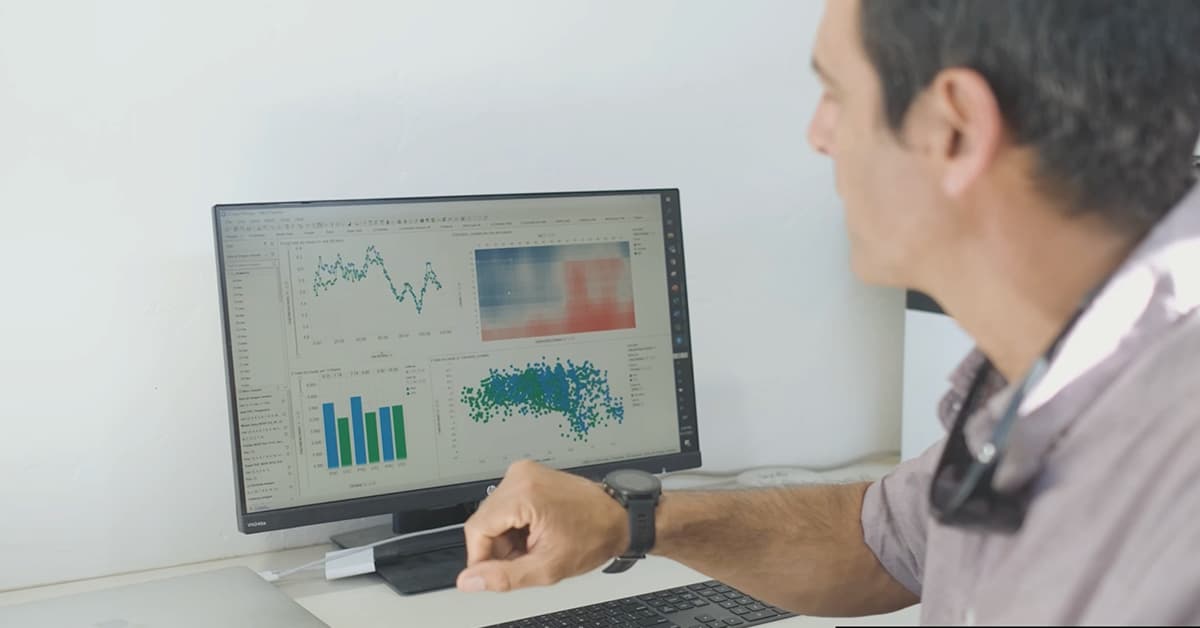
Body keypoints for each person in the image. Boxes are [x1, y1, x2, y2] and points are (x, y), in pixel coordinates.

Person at [455, 1, 1200, 624]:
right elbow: (882, 543)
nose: (819, 135)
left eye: (837, 95)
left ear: (956, 129)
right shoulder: (1050, 379)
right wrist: (630, 521)